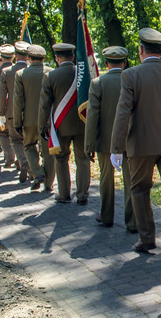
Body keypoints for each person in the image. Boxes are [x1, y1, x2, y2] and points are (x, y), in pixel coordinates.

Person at [110, 28, 161, 256]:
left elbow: (123, 112)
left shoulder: (130, 75)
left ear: (141, 50)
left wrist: (116, 147)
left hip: (141, 144)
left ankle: (147, 238)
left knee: (139, 190)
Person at [85, 46, 136, 232]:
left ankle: (106, 215)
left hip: (106, 141)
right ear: (124, 62)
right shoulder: (132, 79)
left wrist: (89, 143)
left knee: (106, 179)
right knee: (131, 180)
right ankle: (132, 221)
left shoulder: (98, 83)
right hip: (129, 139)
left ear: (106, 63)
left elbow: (92, 116)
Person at [39, 43, 90, 204]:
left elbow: (44, 105)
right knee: (82, 159)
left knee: (61, 159)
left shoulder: (51, 76)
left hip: (60, 125)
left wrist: (42, 127)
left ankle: (64, 194)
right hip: (82, 124)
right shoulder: (84, 74)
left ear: (57, 57)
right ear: (73, 56)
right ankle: (82, 195)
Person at [13, 44, 54, 193]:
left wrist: (17, 121)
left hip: (29, 119)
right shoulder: (51, 73)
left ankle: (38, 173)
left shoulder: (21, 74)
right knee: (49, 151)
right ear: (43, 58)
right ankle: (49, 184)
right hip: (48, 120)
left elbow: (18, 101)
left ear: (28, 58)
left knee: (29, 146)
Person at [3, 42, 31, 182]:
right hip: (32, 114)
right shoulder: (35, 71)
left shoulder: (7, 72)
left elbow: (2, 96)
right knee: (31, 142)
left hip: (12, 113)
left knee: (16, 140)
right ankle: (33, 169)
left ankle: (23, 161)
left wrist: (1, 113)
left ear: (15, 55)